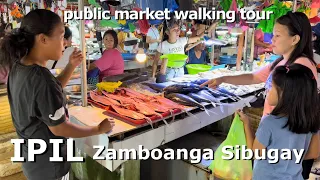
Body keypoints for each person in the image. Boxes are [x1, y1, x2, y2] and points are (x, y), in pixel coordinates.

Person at [201, 11, 318, 179]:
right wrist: (223, 78)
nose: (272, 39)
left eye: (278, 35)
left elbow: (304, 108)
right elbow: (255, 77)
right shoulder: (283, 62)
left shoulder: (301, 68)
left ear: (295, 39)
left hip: (284, 142)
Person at [0, 9, 114, 180]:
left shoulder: (19, 66)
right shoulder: (41, 79)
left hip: (32, 161)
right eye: (61, 37)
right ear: (43, 39)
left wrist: (71, 65)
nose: (65, 43)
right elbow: (60, 128)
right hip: (49, 166)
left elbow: (48, 93)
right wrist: (98, 129)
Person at [237, 64, 320, 179]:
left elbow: (256, 153)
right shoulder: (311, 120)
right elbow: (314, 153)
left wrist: (246, 123)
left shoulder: (269, 122)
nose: (268, 90)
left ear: (284, 94)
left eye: (272, 87)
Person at [152, 16, 217, 82]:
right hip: (168, 71)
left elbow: (200, 37)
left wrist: (211, 27)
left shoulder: (182, 40)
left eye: (178, 29)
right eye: (174, 30)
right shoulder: (162, 45)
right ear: (167, 32)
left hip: (180, 70)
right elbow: (155, 62)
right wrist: (153, 77)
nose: (178, 32)